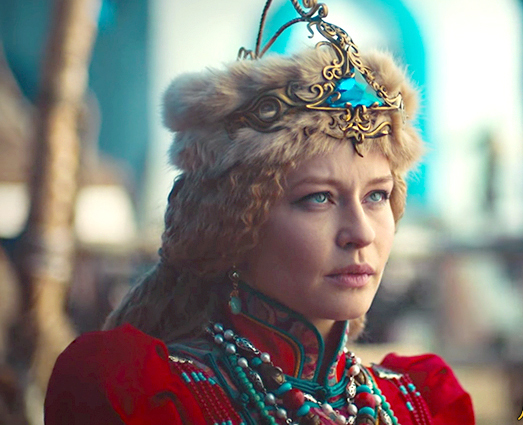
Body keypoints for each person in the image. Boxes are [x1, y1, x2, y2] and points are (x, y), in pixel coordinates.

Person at [44, 1, 474, 424]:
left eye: (376, 196)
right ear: (236, 226)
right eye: (318, 198)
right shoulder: (149, 395)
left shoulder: (421, 401)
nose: (361, 233)